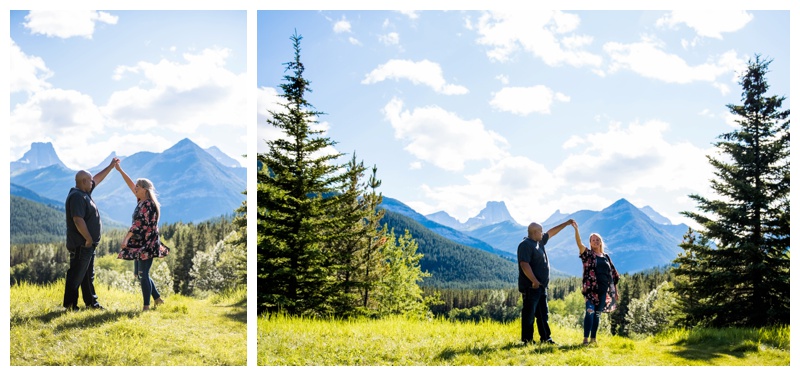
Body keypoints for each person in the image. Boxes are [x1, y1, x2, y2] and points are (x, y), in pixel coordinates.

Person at [63, 158, 120, 311]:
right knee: (76, 275)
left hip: (88, 244)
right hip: (81, 244)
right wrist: (88, 238)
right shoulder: (77, 197)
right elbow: (77, 220)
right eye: (89, 181)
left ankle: (91, 304)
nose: (92, 183)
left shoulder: (84, 191)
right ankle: (70, 306)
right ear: (82, 182)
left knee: (87, 276)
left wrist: (110, 166)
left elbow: (97, 179)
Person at [115, 160, 170, 311]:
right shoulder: (141, 200)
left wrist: (126, 238)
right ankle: (157, 299)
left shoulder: (148, 204)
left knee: (143, 274)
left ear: (144, 189)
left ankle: (146, 307)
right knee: (141, 275)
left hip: (148, 243)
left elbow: (139, 224)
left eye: (137, 187)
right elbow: (130, 183)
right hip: (142, 242)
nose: (135, 188)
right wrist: (120, 170)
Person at [517, 218, 574, 345]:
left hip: (542, 287)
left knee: (543, 314)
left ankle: (546, 338)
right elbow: (524, 264)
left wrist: (565, 223)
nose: (543, 234)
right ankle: (527, 341)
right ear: (534, 232)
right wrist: (534, 281)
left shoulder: (539, 242)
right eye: (540, 231)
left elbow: (551, 233)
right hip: (531, 287)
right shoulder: (525, 245)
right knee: (529, 315)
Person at [571, 221, 620, 345]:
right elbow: (579, 243)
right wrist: (576, 230)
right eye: (593, 240)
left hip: (603, 291)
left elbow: (613, 276)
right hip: (591, 291)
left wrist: (615, 292)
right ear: (590, 243)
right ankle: (585, 339)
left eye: (597, 239)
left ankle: (593, 339)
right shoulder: (587, 255)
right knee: (590, 313)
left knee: (597, 315)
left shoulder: (606, 257)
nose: (595, 241)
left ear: (601, 242)